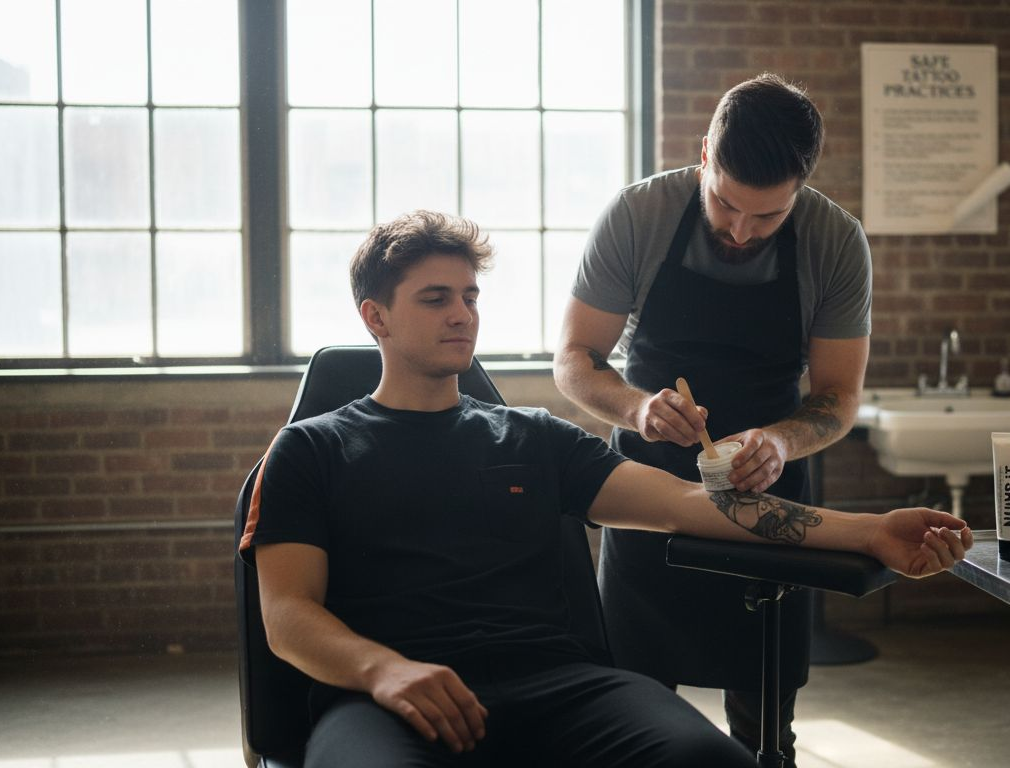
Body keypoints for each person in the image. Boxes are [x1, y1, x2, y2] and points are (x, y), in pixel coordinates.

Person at [240, 211, 971, 767]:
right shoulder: (312, 449)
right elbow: (288, 615)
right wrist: (384, 670)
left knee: (709, 760)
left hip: (555, 684)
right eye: (435, 299)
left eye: (468, 294)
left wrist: (868, 529)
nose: (463, 314)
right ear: (376, 317)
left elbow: (693, 503)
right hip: (387, 696)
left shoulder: (530, 437)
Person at [554, 73, 872, 759]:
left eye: (767, 217)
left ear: (800, 189)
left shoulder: (835, 241)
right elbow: (574, 359)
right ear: (704, 155)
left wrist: (781, 441)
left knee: (766, 722)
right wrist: (638, 407)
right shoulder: (638, 216)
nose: (739, 229)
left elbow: (839, 396)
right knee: (635, 717)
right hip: (645, 485)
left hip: (768, 488)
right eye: (726, 203)